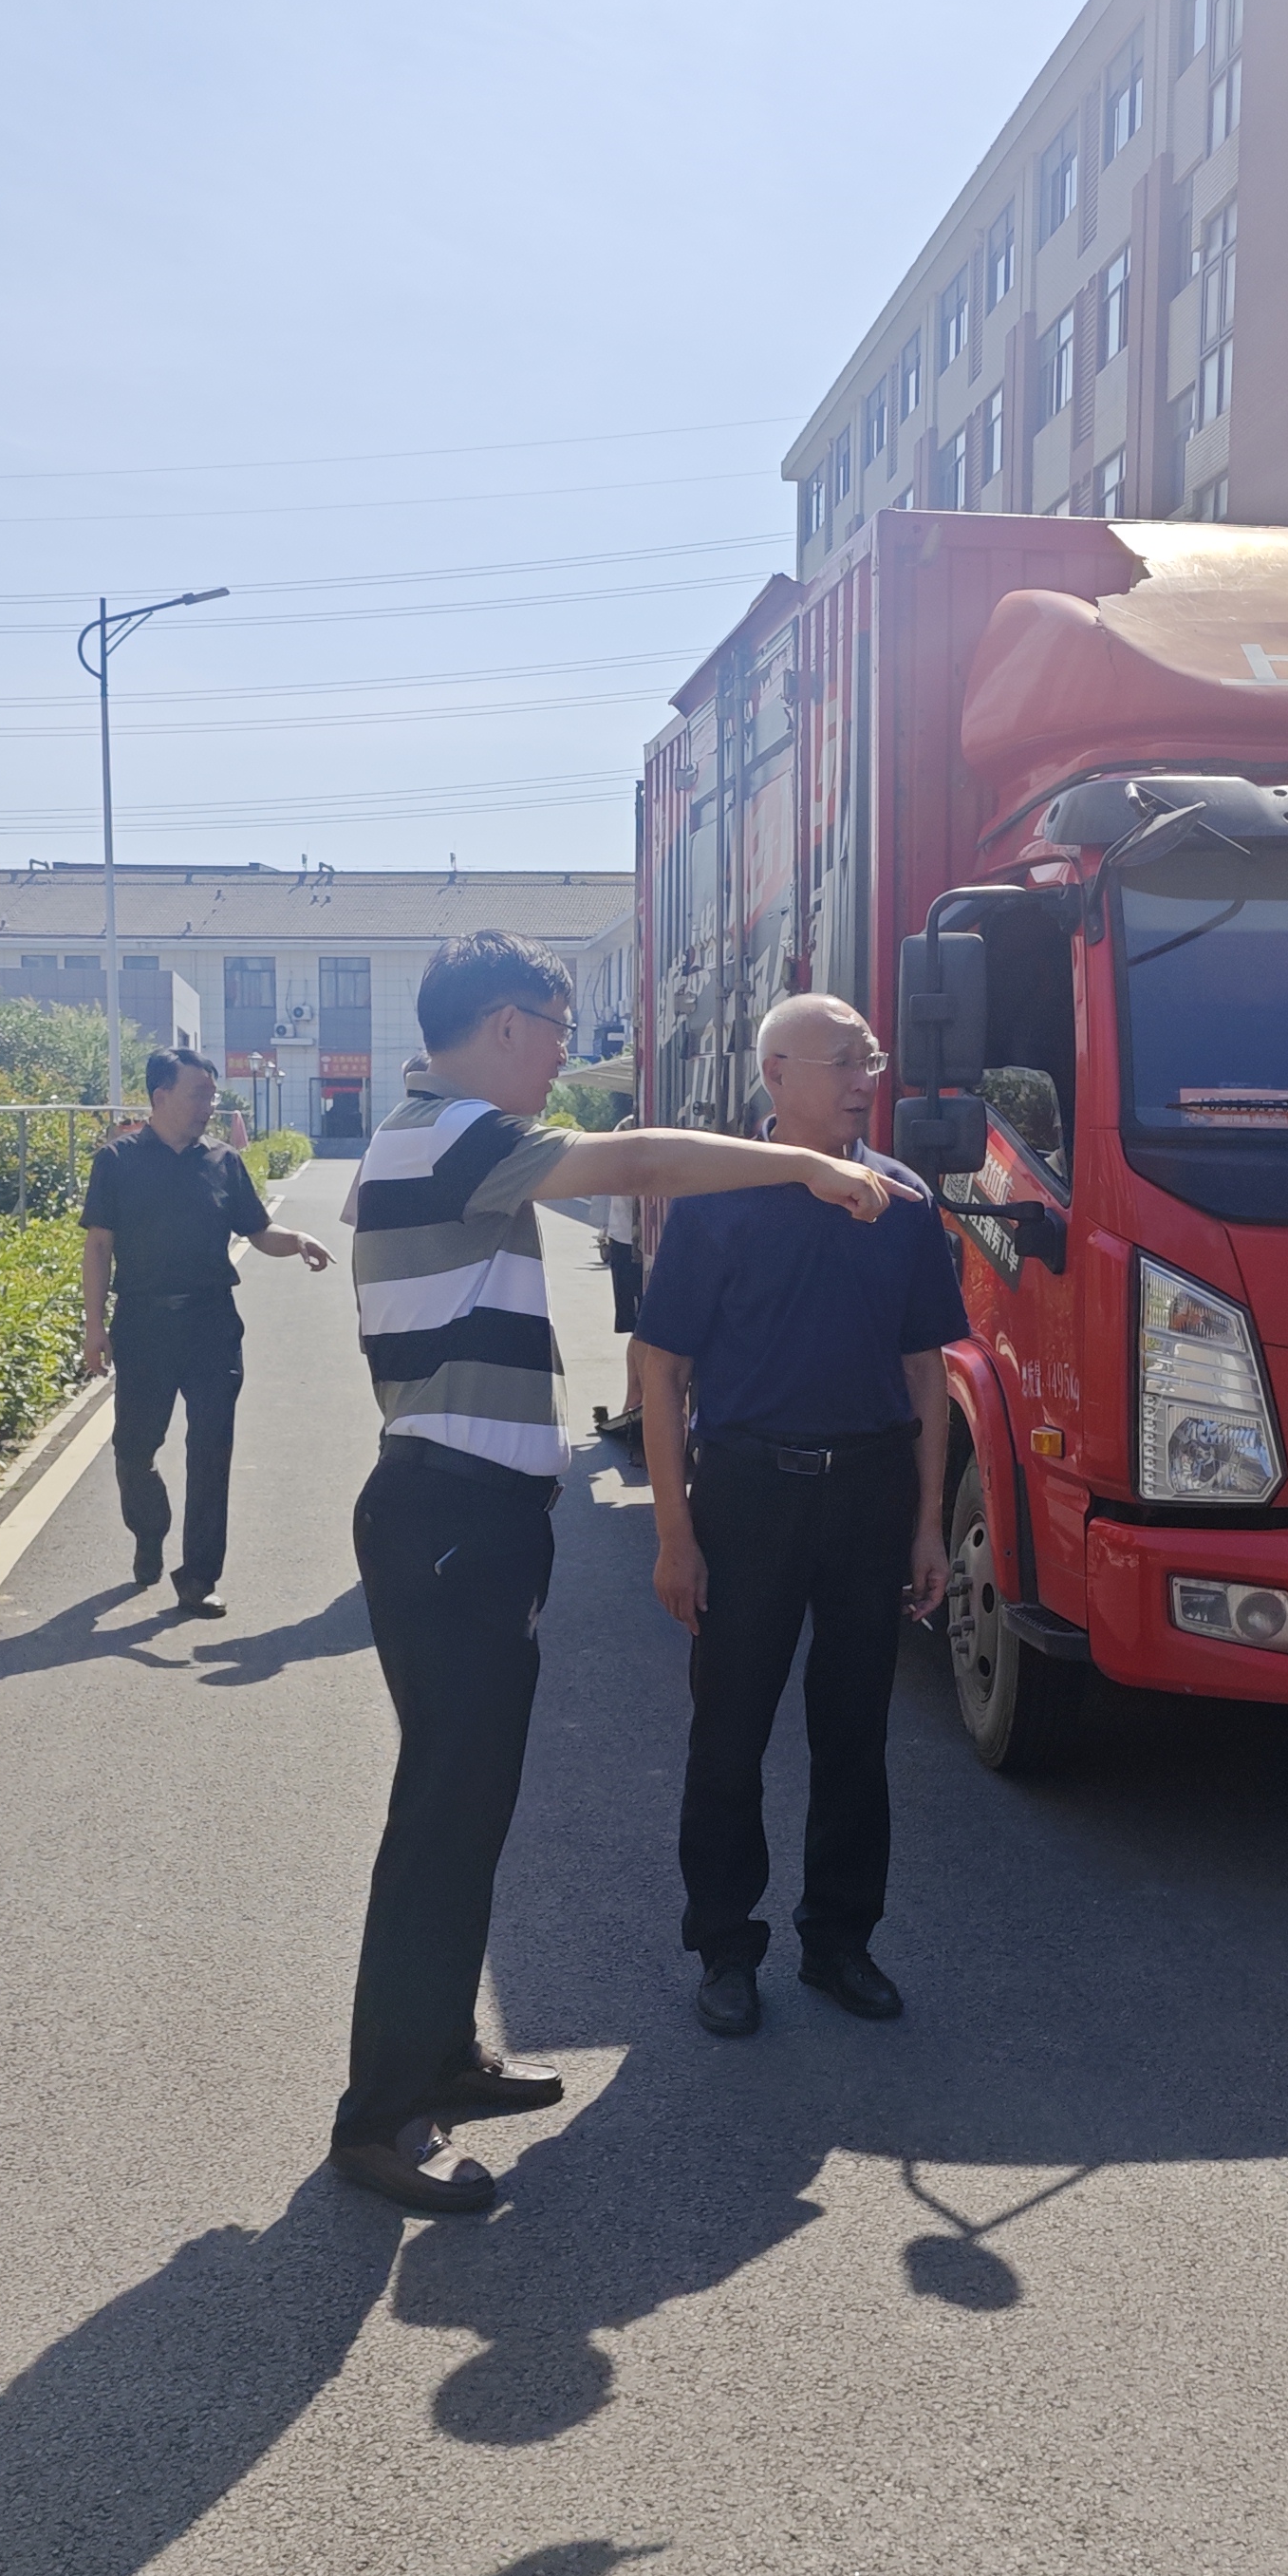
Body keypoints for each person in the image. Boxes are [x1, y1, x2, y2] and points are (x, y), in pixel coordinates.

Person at [328, 931, 913, 2216]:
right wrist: (804, 1163)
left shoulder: (437, 1139)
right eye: (551, 1028)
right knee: (441, 1818)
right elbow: (641, 1159)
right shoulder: (452, 1134)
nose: (561, 1055)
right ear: (500, 1025)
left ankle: (441, 2054)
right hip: (449, 1517)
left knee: (470, 1810)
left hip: (472, 1518)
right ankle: (377, 2117)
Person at [632, 991, 967, 2040]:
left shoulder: (902, 1202)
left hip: (869, 1492)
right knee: (729, 1733)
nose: (866, 1079)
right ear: (776, 1074)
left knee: (854, 1735)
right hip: (748, 1493)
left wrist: (927, 1524)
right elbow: (661, 1371)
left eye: (871, 1059)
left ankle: (839, 1943)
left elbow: (925, 1370)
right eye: (843, 1062)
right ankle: (726, 1948)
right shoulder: (716, 1196)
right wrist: (674, 1535)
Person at [81, 1045, 332, 1622]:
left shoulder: (223, 1161)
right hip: (144, 1324)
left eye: (212, 1096)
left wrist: (295, 1241)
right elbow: (98, 1245)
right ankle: (149, 1531)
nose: (209, 1106)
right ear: (161, 1096)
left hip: (211, 1324)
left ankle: (199, 1577)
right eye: (199, 1094)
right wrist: (94, 1326)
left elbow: (259, 1230)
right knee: (135, 1449)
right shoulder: (117, 1161)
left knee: (211, 1450)